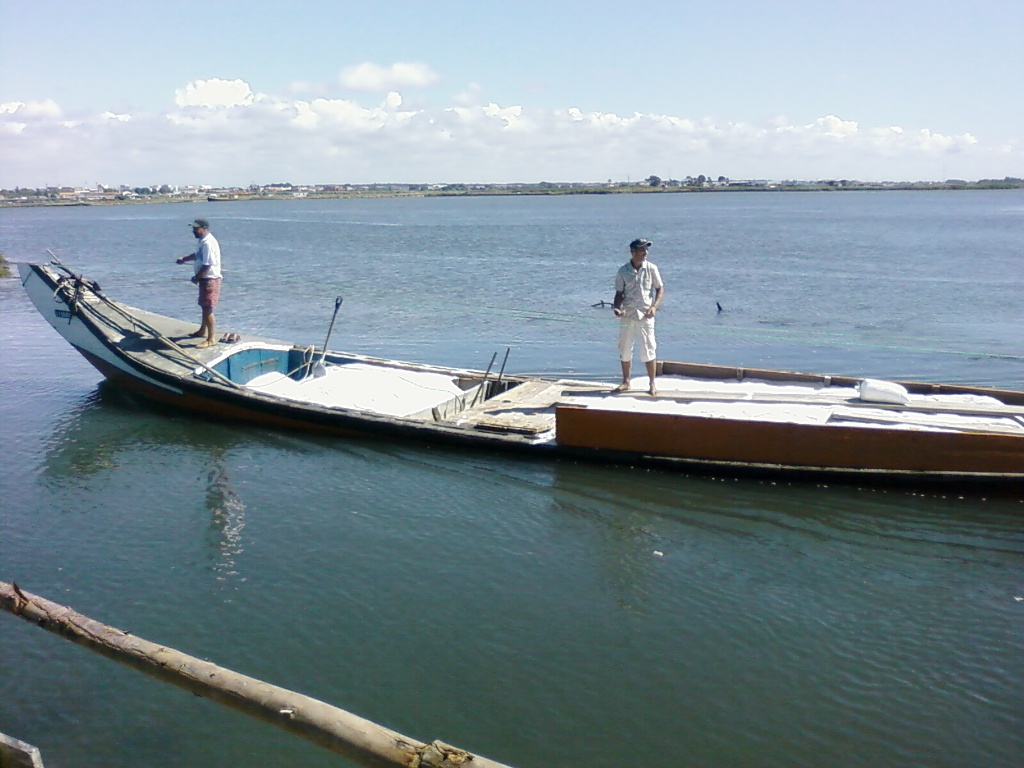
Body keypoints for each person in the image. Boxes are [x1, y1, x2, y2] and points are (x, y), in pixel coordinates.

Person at [612, 237, 665, 395]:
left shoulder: (651, 268)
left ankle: (652, 384)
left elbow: (660, 289)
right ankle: (626, 381)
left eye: (646, 249)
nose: (645, 252)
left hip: (645, 314)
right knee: (625, 347)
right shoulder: (623, 271)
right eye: (642, 249)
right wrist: (616, 308)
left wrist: (654, 307)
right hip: (628, 313)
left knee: (649, 348)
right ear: (633, 252)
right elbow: (619, 293)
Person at [176, 218, 222, 348]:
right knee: (203, 306)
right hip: (205, 279)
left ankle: (211, 338)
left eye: (196, 228)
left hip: (210, 279)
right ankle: (202, 331)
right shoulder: (202, 241)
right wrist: (184, 259)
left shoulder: (208, 243)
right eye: (193, 228)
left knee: (208, 308)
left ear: (204, 228)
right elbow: (197, 255)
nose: (193, 231)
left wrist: (196, 277)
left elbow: (207, 264)